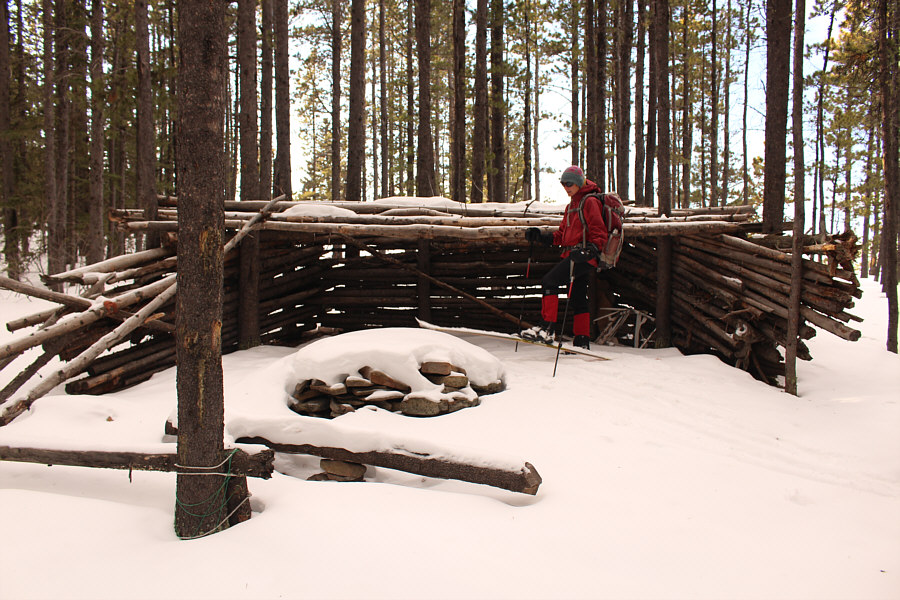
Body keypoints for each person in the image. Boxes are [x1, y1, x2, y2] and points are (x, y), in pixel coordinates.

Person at [522, 165, 608, 349]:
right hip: (573, 255)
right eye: (563, 184)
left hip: (583, 256)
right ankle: (582, 341)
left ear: (578, 182)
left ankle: (547, 328)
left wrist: (591, 250)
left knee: (549, 281)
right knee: (577, 297)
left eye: (569, 183)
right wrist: (541, 236)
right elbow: (562, 236)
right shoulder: (572, 206)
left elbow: (599, 231)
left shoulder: (590, 202)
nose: (566, 187)